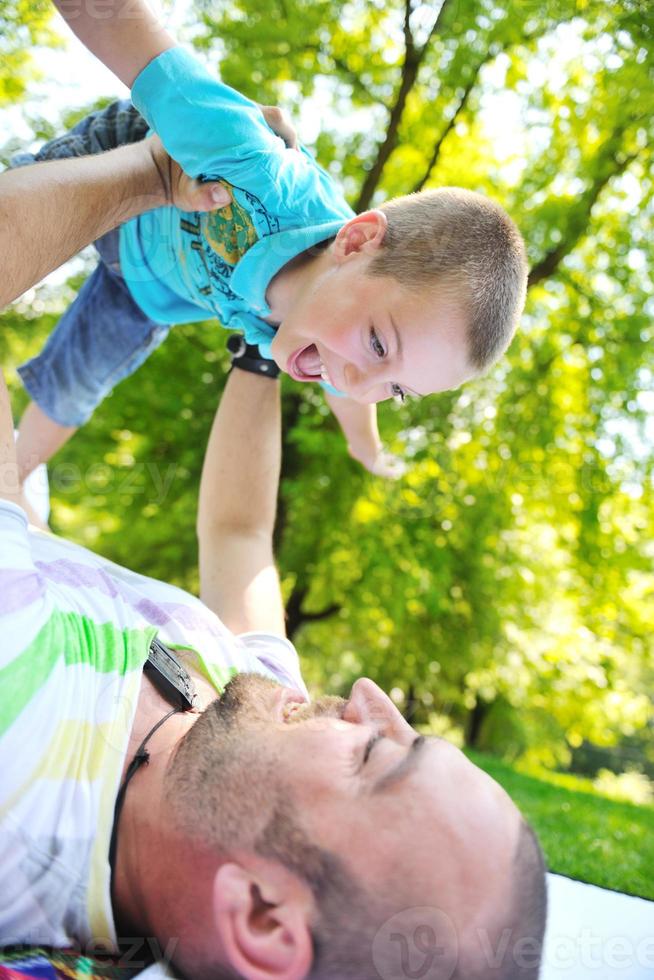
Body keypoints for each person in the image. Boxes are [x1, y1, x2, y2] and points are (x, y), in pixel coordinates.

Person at [0, 125, 546, 980]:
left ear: (260, 916)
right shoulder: (251, 725)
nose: (367, 696)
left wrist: (148, 172)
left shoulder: (17, 733)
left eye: (376, 755)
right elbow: (239, 538)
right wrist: (267, 342)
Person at [11, 0, 528, 487]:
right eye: (377, 345)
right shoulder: (262, 173)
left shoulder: (330, 330)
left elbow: (350, 400)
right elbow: (130, 37)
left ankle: (13, 485)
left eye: (395, 391)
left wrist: (367, 451)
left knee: (75, 384)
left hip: (146, 295)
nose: (355, 382)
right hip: (126, 166)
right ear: (357, 242)